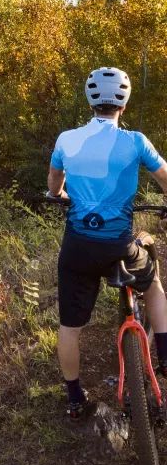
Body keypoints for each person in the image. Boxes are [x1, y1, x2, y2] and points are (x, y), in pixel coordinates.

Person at [48, 66, 167, 419]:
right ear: (124, 106)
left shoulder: (66, 139)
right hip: (118, 245)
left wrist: (60, 193)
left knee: (70, 326)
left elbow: (55, 184)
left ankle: (74, 399)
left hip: (78, 248)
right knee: (155, 286)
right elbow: (164, 176)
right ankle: (163, 360)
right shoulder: (136, 142)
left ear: (90, 102)